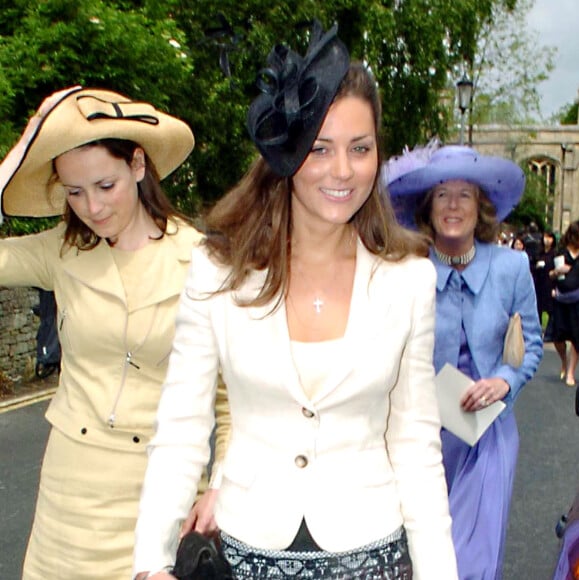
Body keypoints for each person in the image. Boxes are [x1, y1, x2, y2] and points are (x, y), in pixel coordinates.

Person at [133, 22, 458, 580]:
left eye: (360, 148)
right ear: (285, 153)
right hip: (245, 553)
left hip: (371, 556)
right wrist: (152, 559)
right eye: (320, 148)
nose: (342, 171)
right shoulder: (218, 272)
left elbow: (416, 446)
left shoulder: (409, 280)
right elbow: (182, 428)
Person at [0, 86, 228, 579]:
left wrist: (220, 486)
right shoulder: (60, 252)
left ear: (138, 165)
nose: (92, 208)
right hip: (67, 503)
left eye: (106, 186)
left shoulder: (203, 262)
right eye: (74, 192)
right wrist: (32, 138)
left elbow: (231, 399)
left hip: (156, 499)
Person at [385, 144, 543, 579]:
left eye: (465, 195)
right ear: (427, 206)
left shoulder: (512, 267)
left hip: (489, 433)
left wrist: (505, 381)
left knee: (473, 560)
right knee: (424, 557)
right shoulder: (407, 270)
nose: (453, 205)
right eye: (441, 194)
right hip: (425, 437)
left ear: (482, 207)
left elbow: (531, 342)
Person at [550, 220, 579, 386]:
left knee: (577, 338)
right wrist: (556, 272)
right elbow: (550, 275)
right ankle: (564, 360)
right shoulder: (561, 253)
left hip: (578, 301)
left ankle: (570, 372)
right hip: (561, 299)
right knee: (558, 337)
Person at [533, 230, 556, 339]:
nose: (547, 240)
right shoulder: (539, 253)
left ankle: (549, 332)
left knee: (550, 308)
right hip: (539, 282)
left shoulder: (555, 253)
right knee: (538, 307)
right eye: (546, 237)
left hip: (550, 283)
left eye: (550, 238)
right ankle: (537, 330)